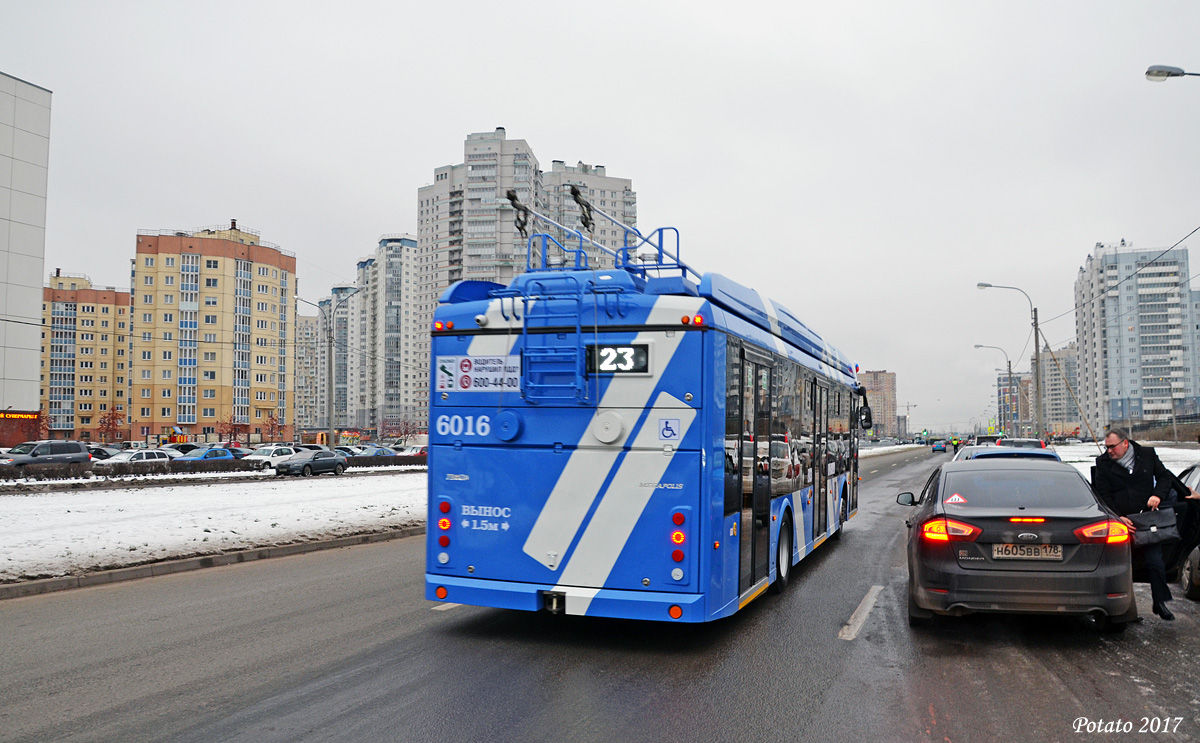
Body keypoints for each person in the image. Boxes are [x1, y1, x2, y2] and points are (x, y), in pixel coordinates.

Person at [1091, 428, 1176, 620]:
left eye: (1112, 447)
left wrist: (1157, 495)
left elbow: (1165, 477)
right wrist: (1118, 516)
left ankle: (1160, 602)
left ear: (1125, 443)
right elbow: (1103, 494)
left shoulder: (1147, 455)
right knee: (1121, 567)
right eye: (1106, 447)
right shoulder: (1103, 463)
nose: (1109, 451)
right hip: (1121, 523)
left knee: (1155, 562)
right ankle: (1122, 611)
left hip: (1146, 520)